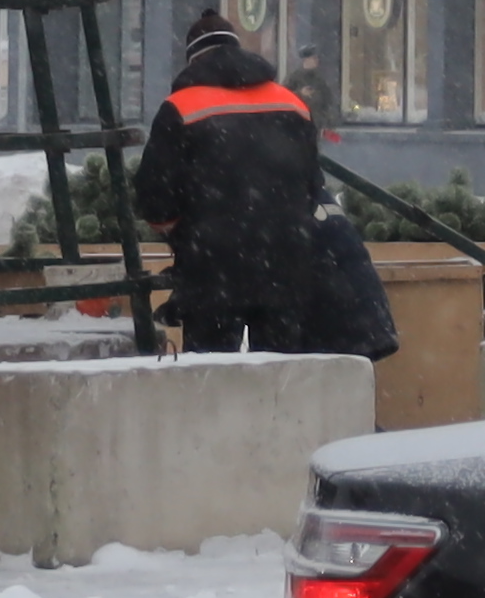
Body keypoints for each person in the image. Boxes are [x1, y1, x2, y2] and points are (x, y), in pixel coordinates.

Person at [128, 23, 390, 360]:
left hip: (213, 267)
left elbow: (155, 197)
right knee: (281, 374)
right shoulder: (291, 103)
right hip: (286, 262)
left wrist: (183, 233)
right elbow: (312, 184)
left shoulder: (181, 106)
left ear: (193, 60)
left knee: (211, 373)